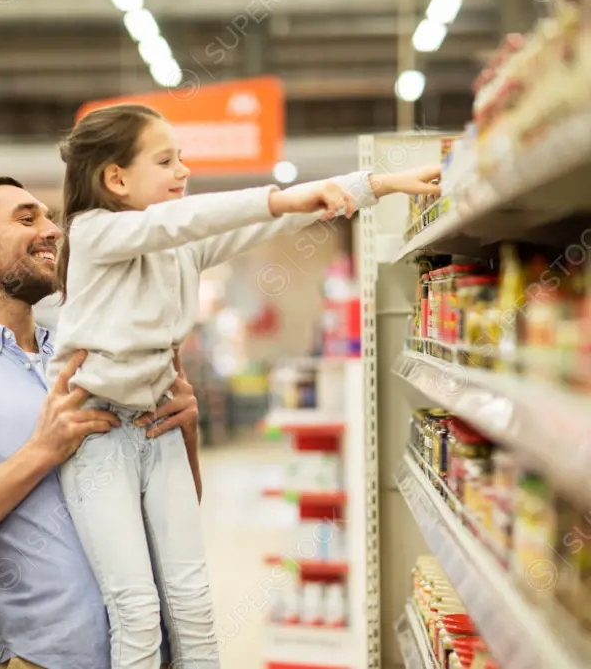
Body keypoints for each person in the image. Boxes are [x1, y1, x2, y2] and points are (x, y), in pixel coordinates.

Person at [48, 102, 443, 669]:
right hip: (97, 436)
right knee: (135, 609)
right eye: (166, 160)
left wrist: (373, 184)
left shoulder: (177, 246)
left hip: (158, 426)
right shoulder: (92, 233)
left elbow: (265, 223)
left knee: (194, 605)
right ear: (116, 178)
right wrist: (280, 195)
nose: (183, 170)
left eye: (181, 157)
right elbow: (176, 222)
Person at [0, 177, 202, 669]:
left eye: (51, 218)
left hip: (148, 652)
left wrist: (186, 434)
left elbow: (175, 509)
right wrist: (41, 452)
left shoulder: (94, 357)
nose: (52, 230)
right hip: (41, 658)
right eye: (27, 219)